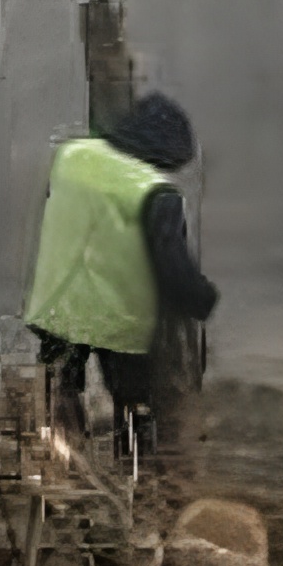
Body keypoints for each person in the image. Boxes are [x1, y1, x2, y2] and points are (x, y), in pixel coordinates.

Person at [24, 92, 218, 459]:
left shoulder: (70, 157)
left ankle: (63, 471)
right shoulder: (157, 194)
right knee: (133, 403)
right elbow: (173, 270)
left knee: (59, 390)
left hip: (55, 304)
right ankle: (136, 481)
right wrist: (203, 299)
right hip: (118, 318)